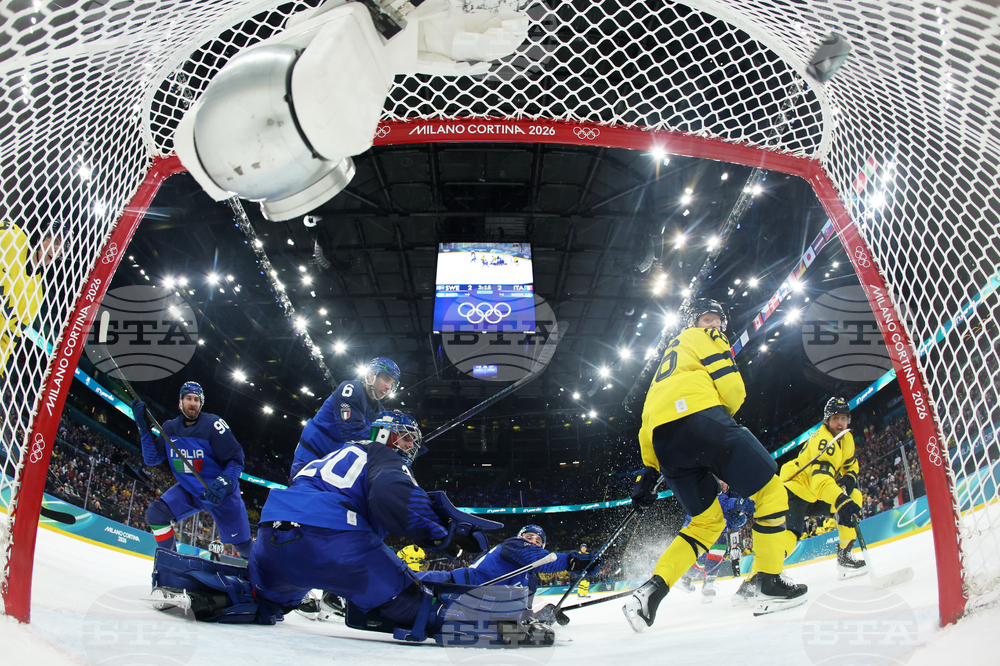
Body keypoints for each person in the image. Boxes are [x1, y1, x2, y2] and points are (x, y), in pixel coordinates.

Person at [624, 299, 806, 631]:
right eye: (707, 319)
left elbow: (647, 419)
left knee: (705, 524)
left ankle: (651, 591)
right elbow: (733, 389)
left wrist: (648, 471)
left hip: (664, 444)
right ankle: (768, 581)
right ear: (692, 324)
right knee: (773, 493)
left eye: (716, 319)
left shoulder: (666, 363)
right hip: (704, 420)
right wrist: (721, 424)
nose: (713, 324)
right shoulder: (707, 337)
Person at [132, 381, 253, 559]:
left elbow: (236, 460)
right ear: (180, 402)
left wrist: (223, 483)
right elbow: (152, 459)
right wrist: (143, 429)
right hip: (191, 490)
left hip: (220, 493)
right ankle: (172, 563)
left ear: (201, 403)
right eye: (188, 398)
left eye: (197, 399)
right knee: (156, 514)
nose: (193, 403)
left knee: (243, 546)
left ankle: (263, 576)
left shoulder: (214, 425)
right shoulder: (169, 428)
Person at [417, 524, 595, 610]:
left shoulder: (530, 579)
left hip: (468, 604)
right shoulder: (514, 545)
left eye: (538, 541)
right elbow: (541, 559)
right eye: (529, 536)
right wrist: (574, 562)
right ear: (520, 537)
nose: (533, 541)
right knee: (400, 583)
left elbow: (521, 613)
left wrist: (541, 617)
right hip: (447, 586)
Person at [781, 397, 865, 577]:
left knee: (855, 495)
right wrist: (840, 500)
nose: (840, 423)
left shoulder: (847, 438)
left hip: (816, 493)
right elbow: (820, 482)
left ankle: (845, 556)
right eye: (836, 418)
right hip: (797, 489)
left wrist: (849, 478)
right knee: (791, 534)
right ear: (826, 420)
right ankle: (763, 575)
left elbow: (851, 465)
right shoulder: (823, 442)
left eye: (844, 418)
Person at [289, 356, 400, 480]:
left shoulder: (381, 412)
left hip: (336, 464)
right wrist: (395, 439)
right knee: (304, 494)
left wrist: (406, 445)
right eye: (386, 379)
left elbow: (381, 444)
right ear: (371, 375)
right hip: (313, 456)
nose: (388, 387)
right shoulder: (349, 389)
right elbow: (351, 431)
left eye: (392, 383)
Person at [0, 220, 63, 377]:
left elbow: (9, 339)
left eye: (62, 249)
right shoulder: (11, 236)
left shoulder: (36, 295)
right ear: (42, 236)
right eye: (55, 241)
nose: (56, 249)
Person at [675, 483, 753, 604]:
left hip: (715, 531)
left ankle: (688, 577)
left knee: (706, 557)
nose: (722, 483)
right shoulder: (709, 488)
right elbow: (721, 503)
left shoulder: (733, 493)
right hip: (697, 528)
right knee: (717, 546)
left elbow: (734, 522)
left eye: (724, 481)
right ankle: (707, 582)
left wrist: (740, 515)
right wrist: (737, 505)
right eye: (719, 480)